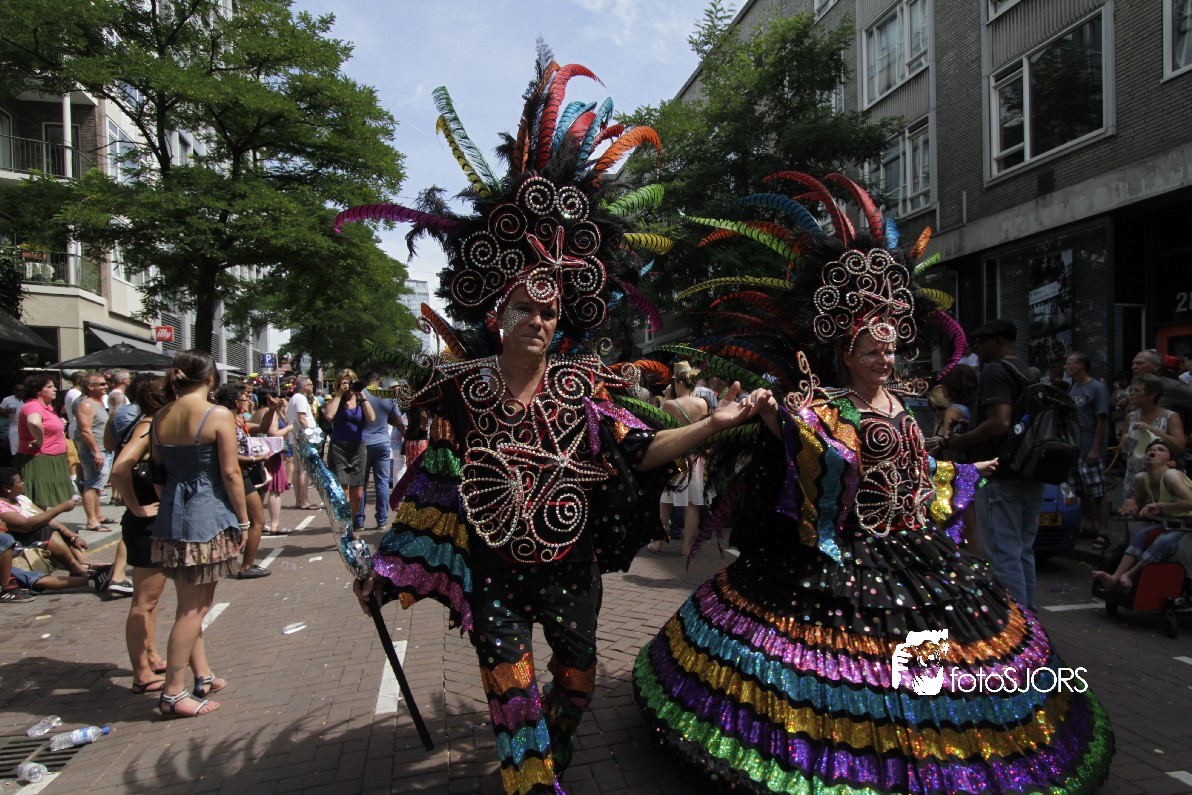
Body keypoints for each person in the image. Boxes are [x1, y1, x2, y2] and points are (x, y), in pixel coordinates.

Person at [346, 57, 764, 794]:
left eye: (548, 310)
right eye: (524, 307)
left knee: (575, 682)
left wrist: (712, 424)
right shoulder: (463, 390)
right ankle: (534, 781)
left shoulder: (583, 388)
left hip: (572, 569)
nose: (538, 319)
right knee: (513, 700)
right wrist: (388, 566)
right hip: (495, 571)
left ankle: (553, 758)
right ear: (496, 313)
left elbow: (641, 450)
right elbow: (432, 480)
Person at [630, 174, 1112, 793]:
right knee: (844, 667)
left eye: (889, 351)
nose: (884, 361)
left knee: (935, 662)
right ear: (846, 353)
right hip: (846, 552)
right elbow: (807, 447)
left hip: (913, 553)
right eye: (871, 351)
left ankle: (940, 759)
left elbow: (912, 470)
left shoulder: (901, 405)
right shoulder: (827, 407)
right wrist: (774, 415)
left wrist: (964, 471)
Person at [150, 349, 251, 718]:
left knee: (191, 605)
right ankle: (173, 693)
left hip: (174, 515)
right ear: (211, 379)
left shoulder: (160, 416)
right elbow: (231, 473)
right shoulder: (217, 414)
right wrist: (244, 520)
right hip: (207, 516)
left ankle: (203, 674)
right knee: (193, 609)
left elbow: (158, 471)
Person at [945, 319, 1045, 608]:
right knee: (1023, 550)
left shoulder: (995, 370)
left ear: (997, 342)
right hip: (1029, 471)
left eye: (981, 342)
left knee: (1002, 554)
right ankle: (1029, 616)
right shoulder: (1028, 372)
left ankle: (1014, 620)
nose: (976, 349)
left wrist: (962, 441)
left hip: (1000, 473)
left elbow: (1000, 422)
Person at [109, 374, 171, 690]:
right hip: (145, 523)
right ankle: (141, 674)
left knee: (151, 600)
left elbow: (110, 444)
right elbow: (119, 467)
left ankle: (151, 655)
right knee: (143, 602)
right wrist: (135, 507)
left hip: (146, 523)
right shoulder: (147, 427)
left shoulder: (140, 424)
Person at [1093, 439, 1192, 591]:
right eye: (1150, 449)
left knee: (1163, 540)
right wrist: (1131, 508)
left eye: (1160, 449)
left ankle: (1130, 575)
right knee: (1142, 535)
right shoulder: (1141, 478)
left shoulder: (1171, 475)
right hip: (1173, 523)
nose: (1153, 451)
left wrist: (1160, 505)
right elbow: (1140, 503)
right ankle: (1114, 577)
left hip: (1187, 523)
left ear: (1171, 462)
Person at [212, 385, 276, 579]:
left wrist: (272, 410)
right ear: (234, 402)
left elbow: (262, 428)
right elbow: (229, 455)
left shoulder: (237, 421)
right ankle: (246, 566)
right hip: (237, 474)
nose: (248, 401)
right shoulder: (228, 424)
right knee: (257, 520)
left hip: (241, 473)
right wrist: (256, 458)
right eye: (244, 399)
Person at [650, 361, 710, 556]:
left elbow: (659, 426)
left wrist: (668, 397)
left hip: (674, 456)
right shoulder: (702, 403)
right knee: (692, 505)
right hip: (696, 458)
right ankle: (687, 547)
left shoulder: (670, 404)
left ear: (681, 383)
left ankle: (658, 543)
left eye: (675, 382)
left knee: (665, 501)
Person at [0, 468, 96, 577]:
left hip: (34, 532)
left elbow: (45, 517)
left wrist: (73, 536)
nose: (23, 483)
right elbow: (26, 525)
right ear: (7, 488)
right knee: (46, 529)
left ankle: (82, 561)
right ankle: (74, 567)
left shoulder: (21, 499)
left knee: (64, 527)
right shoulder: (1, 506)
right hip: (18, 539)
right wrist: (60, 508)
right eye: (18, 482)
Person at [1064, 352, 1111, 551]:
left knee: (1097, 490)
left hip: (1090, 447)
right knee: (1081, 490)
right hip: (1075, 447)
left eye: (1070, 363)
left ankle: (1104, 531)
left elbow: (1102, 419)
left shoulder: (1097, 388)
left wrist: (1095, 448)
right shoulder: (1074, 387)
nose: (1066, 366)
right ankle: (1088, 524)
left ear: (1081, 365)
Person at [323, 369, 375, 526]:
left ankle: (349, 525)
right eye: (344, 382)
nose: (348, 386)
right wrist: (339, 394)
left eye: (351, 381)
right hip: (338, 448)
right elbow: (329, 416)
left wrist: (362, 394)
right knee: (343, 492)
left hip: (358, 448)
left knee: (357, 494)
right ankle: (344, 528)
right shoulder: (335, 401)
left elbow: (372, 418)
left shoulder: (360, 401)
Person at [15, 374, 73, 508]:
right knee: (39, 499)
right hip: (40, 458)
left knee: (43, 499)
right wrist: (40, 440)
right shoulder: (33, 406)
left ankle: (44, 520)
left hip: (51, 457)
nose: (55, 389)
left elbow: (45, 425)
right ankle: (40, 521)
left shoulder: (44, 407)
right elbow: (34, 422)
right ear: (37, 391)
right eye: (50, 387)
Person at [355, 371, 400, 530]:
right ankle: (382, 520)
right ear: (379, 380)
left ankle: (359, 521)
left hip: (363, 442)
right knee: (382, 483)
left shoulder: (359, 394)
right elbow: (397, 419)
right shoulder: (388, 395)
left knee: (361, 483)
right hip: (382, 442)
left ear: (366, 380)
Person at [73, 372, 115, 533]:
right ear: (90, 387)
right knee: (92, 485)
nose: (106, 386)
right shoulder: (86, 405)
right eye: (102, 384)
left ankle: (99, 515)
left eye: (106, 383)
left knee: (98, 485)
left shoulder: (98, 403)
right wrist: (96, 451)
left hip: (103, 450)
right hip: (94, 452)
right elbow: (85, 431)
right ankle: (92, 521)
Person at [252, 388, 291, 536]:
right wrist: (289, 427)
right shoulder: (270, 412)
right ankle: (274, 525)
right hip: (271, 454)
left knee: (261, 489)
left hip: (258, 454)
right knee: (275, 489)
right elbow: (273, 433)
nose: (279, 399)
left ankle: (259, 522)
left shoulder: (257, 412)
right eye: (276, 396)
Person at [285, 376, 320, 510]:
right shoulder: (300, 398)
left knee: (297, 469)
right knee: (304, 470)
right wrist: (312, 434)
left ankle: (299, 500)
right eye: (310, 384)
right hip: (303, 438)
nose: (312, 386)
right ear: (305, 386)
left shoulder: (293, 399)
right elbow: (302, 418)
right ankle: (304, 501)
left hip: (296, 437)